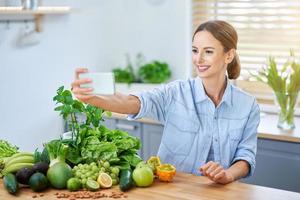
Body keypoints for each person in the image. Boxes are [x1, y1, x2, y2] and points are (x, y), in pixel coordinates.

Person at [71, 20, 260, 185]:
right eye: (195, 51)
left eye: (208, 51)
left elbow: (245, 157)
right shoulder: (175, 93)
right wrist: (94, 98)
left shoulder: (248, 106)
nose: (198, 59)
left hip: (219, 193)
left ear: (229, 55)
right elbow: (135, 102)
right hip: (171, 189)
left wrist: (227, 175)